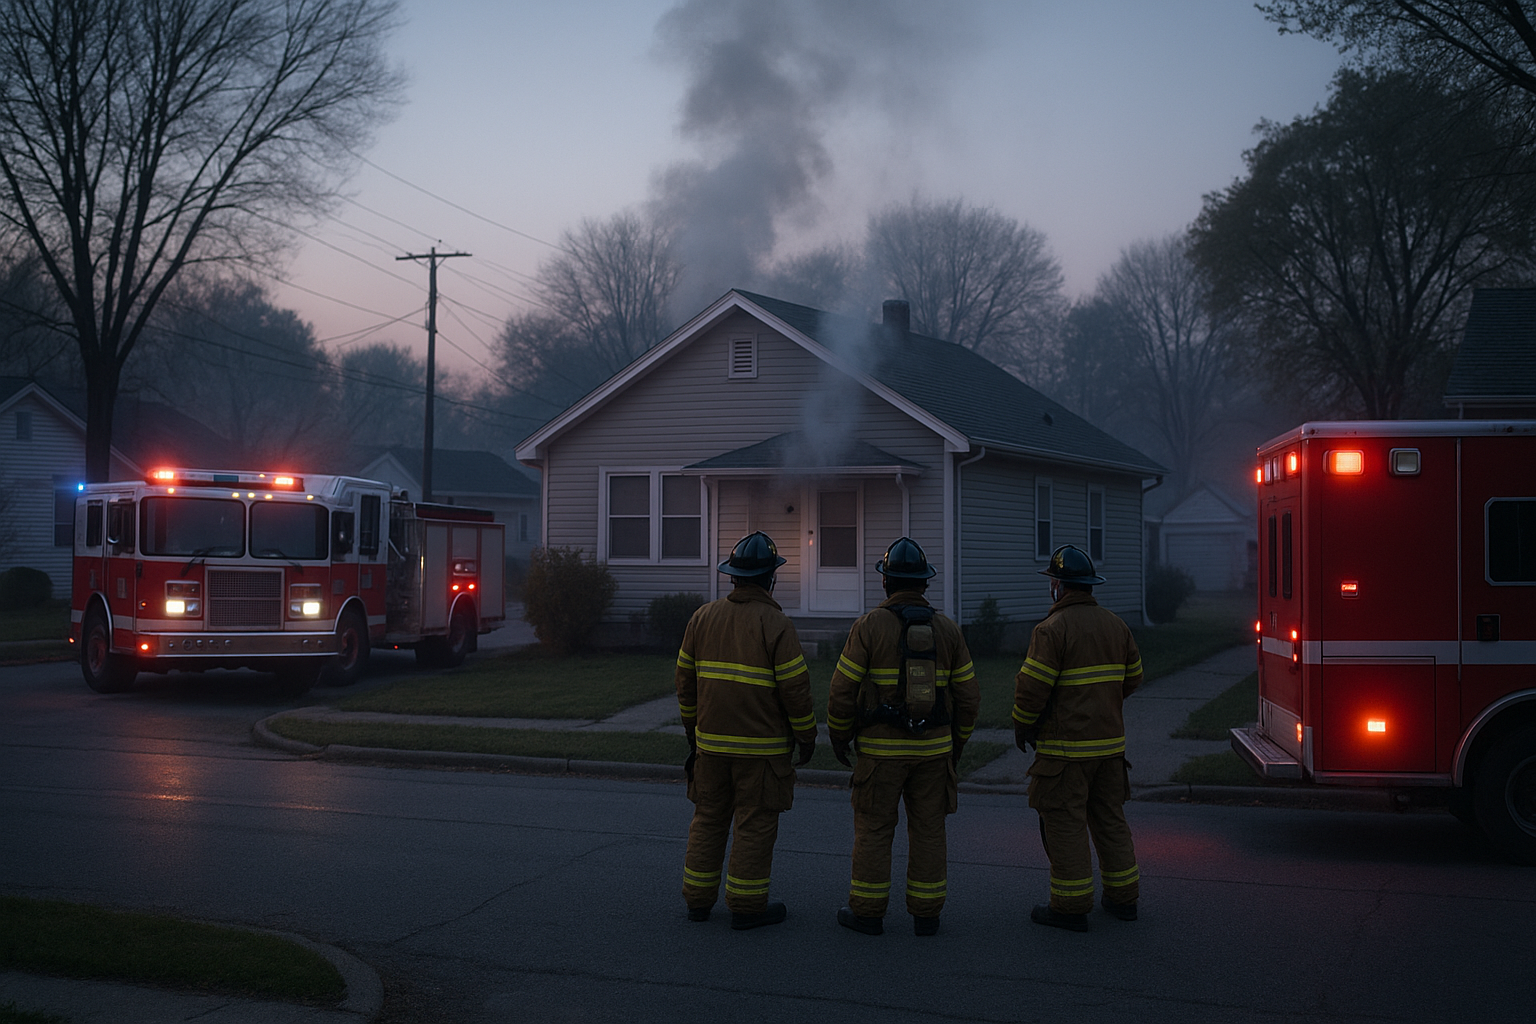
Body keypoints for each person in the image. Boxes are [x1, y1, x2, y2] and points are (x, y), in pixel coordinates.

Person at [826, 537, 979, 937]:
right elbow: (969, 697)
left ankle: (868, 913)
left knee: (875, 830)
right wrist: (955, 744)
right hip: (934, 755)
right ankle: (926, 916)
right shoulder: (948, 630)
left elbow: (842, 690)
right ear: (924, 584)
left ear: (885, 582)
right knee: (929, 829)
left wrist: (840, 738)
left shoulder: (868, 627)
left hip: (879, 757)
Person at [676, 531, 816, 930]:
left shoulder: (701, 618)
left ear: (733, 576)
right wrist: (807, 740)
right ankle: (747, 906)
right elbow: (796, 693)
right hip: (763, 754)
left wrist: (693, 731)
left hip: (711, 750)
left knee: (708, 818)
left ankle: (698, 902)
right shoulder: (777, 624)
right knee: (754, 823)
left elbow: (685, 684)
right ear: (770, 578)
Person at [1014, 544, 1143, 932]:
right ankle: (1124, 900)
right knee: (1109, 819)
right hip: (1110, 749)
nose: (1051, 586)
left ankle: (1070, 908)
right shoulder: (1117, 625)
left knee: (1064, 823)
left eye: (1053, 581)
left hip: (1065, 752)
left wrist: (1023, 727)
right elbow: (1133, 677)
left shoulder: (1051, 630)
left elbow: (1030, 691)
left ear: (1060, 586)